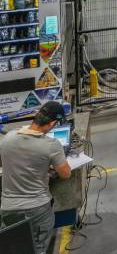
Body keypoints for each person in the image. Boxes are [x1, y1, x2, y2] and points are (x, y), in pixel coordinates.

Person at [0, 102, 71, 254]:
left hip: (7, 208)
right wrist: (48, 169)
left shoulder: (8, 137)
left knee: (16, 248)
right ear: (52, 123)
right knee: (37, 248)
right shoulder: (51, 145)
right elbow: (65, 174)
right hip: (36, 209)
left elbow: (6, 163)